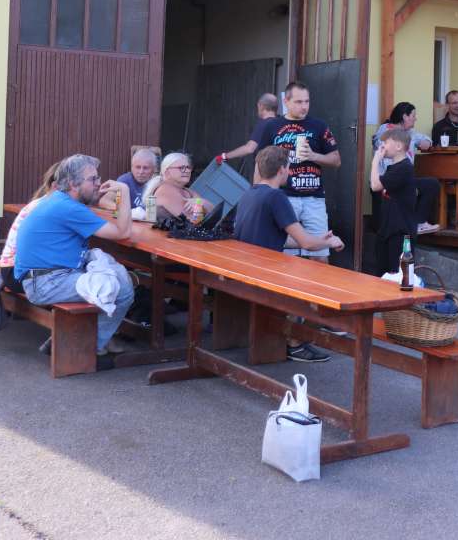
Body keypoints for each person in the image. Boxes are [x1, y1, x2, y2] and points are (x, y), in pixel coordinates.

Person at [13, 154, 135, 356]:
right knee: (122, 288)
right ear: (73, 184)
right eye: (92, 179)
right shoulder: (69, 208)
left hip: (42, 278)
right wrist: (124, 190)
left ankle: (68, 339)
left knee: (113, 274)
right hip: (46, 283)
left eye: (98, 177)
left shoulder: (59, 200)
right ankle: (86, 349)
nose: (98, 183)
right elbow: (123, 232)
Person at [235, 146, 343, 363]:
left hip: (245, 266)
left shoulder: (250, 193)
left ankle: (294, 336)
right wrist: (329, 242)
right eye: (289, 168)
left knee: (303, 272)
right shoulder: (277, 197)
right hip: (264, 272)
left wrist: (319, 239)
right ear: (283, 170)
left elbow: (281, 238)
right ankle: (295, 343)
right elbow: (305, 243)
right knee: (317, 286)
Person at [252, 82, 342, 260]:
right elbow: (259, 161)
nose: (304, 106)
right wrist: (256, 193)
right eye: (299, 102)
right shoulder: (272, 126)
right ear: (286, 101)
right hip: (283, 197)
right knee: (285, 256)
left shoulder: (319, 126)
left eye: (307, 101)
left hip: (314, 198)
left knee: (320, 254)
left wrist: (313, 156)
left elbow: (336, 160)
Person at [373, 102, 439, 235]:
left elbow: (425, 140)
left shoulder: (409, 132)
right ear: (404, 117)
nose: (416, 118)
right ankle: (412, 227)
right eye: (413, 115)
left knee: (431, 184)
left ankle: (418, 222)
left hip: (404, 179)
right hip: (389, 181)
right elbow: (386, 163)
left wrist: (426, 142)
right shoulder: (386, 132)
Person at [0, 161, 61, 294]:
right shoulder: (51, 207)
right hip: (19, 274)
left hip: (10, 269)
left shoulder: (42, 201)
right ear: (56, 186)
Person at [370, 128, 419, 275]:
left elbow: (375, 185)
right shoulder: (394, 167)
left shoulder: (404, 168)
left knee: (397, 275)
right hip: (388, 229)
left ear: (398, 146)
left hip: (400, 232)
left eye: (386, 142)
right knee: (383, 274)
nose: (382, 146)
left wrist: (375, 161)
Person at [142, 152, 214, 224]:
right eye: (181, 168)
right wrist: (202, 204)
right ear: (167, 172)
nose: (187, 171)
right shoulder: (165, 190)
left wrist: (202, 202)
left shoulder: (188, 191)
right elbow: (193, 221)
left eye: (188, 167)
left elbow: (214, 213)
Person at [217, 93, 281, 166]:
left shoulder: (265, 124)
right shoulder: (281, 123)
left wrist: (224, 156)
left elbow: (249, 149)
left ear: (261, 106)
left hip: (268, 169)